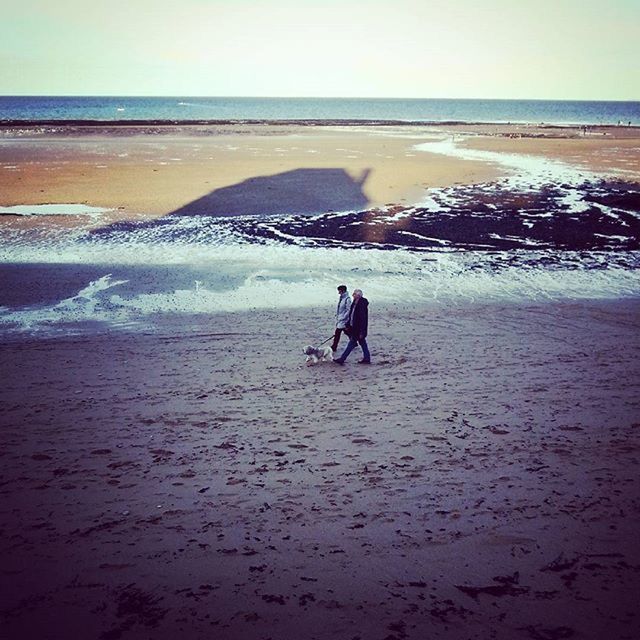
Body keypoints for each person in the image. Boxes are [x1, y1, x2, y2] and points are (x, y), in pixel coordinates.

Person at [333, 289, 371, 365]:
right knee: (362, 343)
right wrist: (348, 324)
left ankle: (342, 359)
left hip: (358, 329)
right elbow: (351, 315)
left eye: (354, 294)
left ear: (358, 295)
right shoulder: (354, 303)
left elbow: (363, 319)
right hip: (354, 328)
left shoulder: (362, 304)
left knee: (352, 344)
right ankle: (367, 358)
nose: (353, 295)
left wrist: (362, 331)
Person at [332, 284, 352, 353]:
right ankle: (354, 341)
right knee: (346, 332)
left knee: (337, 332)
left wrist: (343, 317)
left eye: (339, 291)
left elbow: (348, 310)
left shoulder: (347, 299)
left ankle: (334, 347)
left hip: (344, 319)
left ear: (343, 291)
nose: (338, 292)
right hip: (340, 318)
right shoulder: (342, 298)